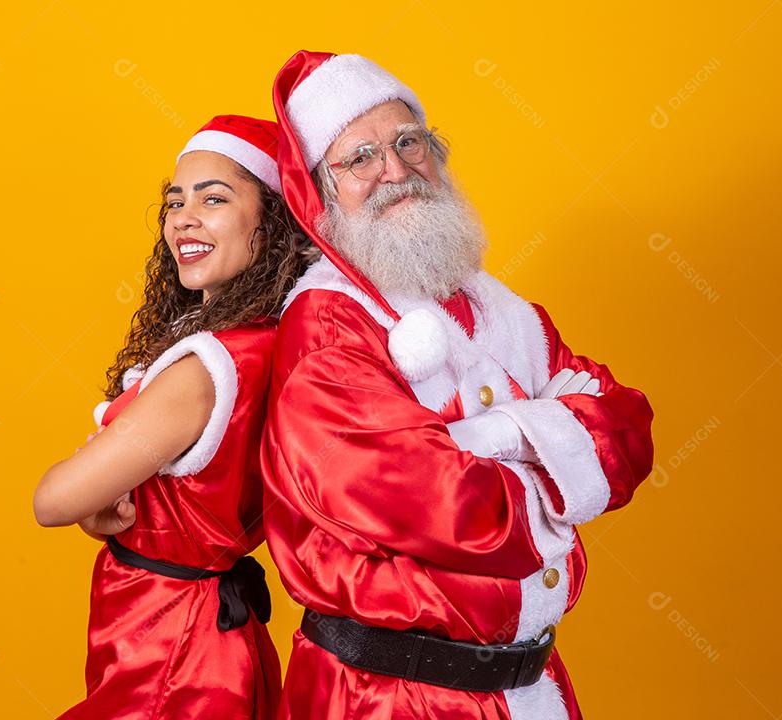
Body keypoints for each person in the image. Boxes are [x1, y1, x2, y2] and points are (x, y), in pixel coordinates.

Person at [261, 51, 656, 719]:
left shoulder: (501, 309)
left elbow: (626, 428)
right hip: (388, 697)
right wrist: (558, 461)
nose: (395, 170)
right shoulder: (326, 325)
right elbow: (441, 504)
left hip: (530, 685)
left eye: (408, 141)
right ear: (321, 194)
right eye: (359, 158)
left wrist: (487, 437)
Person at [34, 115, 311, 720]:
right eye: (175, 200)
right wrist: (106, 511)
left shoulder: (201, 367)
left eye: (214, 199)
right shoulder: (270, 343)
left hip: (170, 647)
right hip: (201, 632)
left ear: (271, 224)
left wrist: (85, 491)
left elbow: (52, 500)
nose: (184, 216)